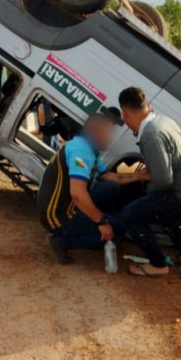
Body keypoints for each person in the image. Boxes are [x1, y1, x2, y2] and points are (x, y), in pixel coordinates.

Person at [118, 86, 181, 278]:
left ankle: (158, 264)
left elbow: (163, 180)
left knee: (131, 214)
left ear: (125, 113)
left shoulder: (150, 135)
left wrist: (148, 193)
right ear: (148, 105)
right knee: (168, 214)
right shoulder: (163, 121)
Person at [37, 106, 146, 264]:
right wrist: (102, 222)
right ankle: (62, 241)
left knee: (110, 187)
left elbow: (109, 176)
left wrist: (139, 175)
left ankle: (96, 224)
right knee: (118, 229)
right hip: (58, 216)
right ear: (95, 132)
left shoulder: (87, 147)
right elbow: (77, 194)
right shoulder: (81, 151)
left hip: (69, 205)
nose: (110, 137)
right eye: (108, 132)